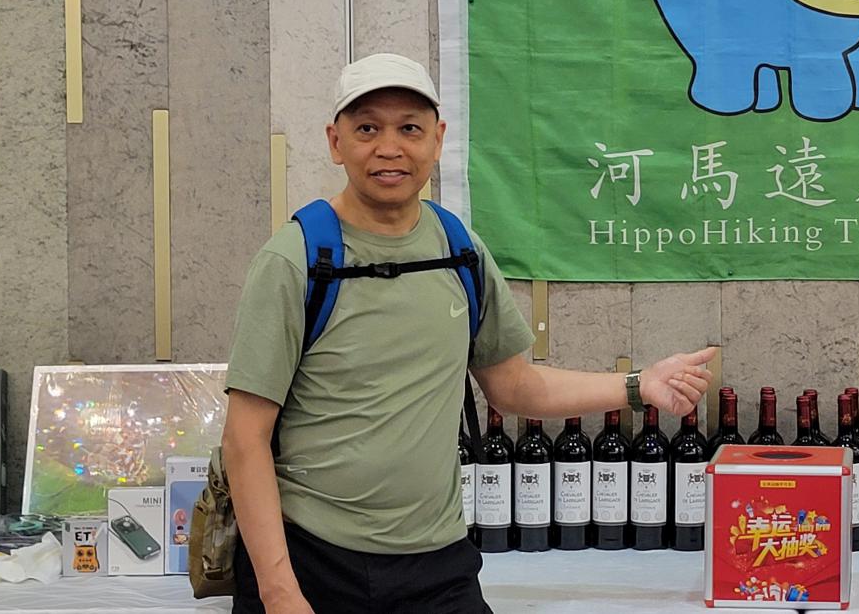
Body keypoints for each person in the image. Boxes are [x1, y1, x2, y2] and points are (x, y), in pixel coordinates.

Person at [222, 53, 715, 614]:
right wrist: (280, 592)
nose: (390, 148)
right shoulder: (297, 260)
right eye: (367, 129)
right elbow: (244, 438)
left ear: (438, 139)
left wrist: (638, 385)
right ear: (336, 143)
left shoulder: (460, 252)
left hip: (437, 562)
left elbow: (514, 386)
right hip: (312, 560)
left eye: (410, 128)